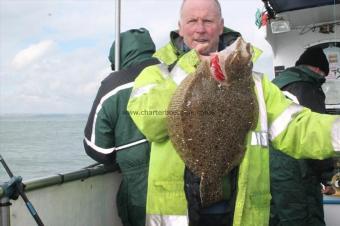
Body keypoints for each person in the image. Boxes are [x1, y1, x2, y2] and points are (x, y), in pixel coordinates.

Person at [127, 1, 340, 226]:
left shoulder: (256, 83)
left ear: (221, 26)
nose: (200, 28)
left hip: (239, 214)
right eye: (192, 21)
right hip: (179, 214)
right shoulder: (157, 74)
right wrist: (189, 68)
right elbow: (148, 120)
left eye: (208, 21)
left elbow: (297, 128)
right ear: (180, 27)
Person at [83, 28, 159, 226]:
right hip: (185, 186)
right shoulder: (175, 74)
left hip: (140, 191)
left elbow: (98, 150)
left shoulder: (113, 86)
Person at [269, 47, 335, 226]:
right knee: (306, 217)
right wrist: (329, 176)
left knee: (280, 217)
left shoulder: (275, 85)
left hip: (276, 169)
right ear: (317, 69)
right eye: (323, 73)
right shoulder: (306, 87)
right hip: (299, 171)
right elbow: (315, 137)